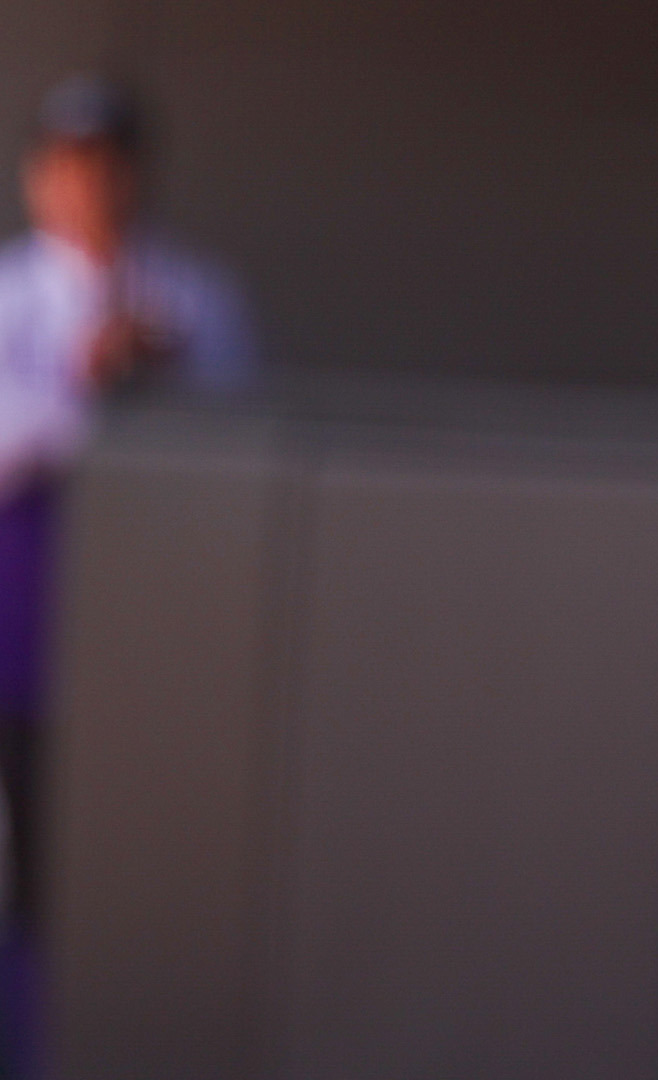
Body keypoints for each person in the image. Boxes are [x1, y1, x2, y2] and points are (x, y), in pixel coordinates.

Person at [0, 73, 255, 1079]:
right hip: (24, 628)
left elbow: (244, 439)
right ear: (37, 176)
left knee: (141, 853)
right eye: (70, 164)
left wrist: (162, 374)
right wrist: (87, 376)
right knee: (28, 859)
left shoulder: (194, 293)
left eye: (108, 163)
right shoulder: (13, 291)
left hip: (160, 631)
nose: (90, 185)